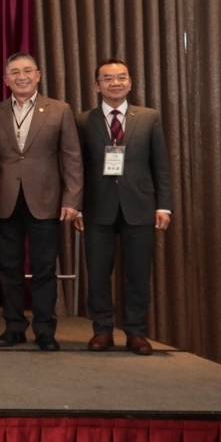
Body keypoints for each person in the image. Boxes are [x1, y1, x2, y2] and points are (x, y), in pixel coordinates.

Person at [0, 52, 82, 351]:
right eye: (15, 72)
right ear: (5, 79)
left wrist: (72, 199)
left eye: (27, 71)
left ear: (38, 75)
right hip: (4, 200)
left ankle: (45, 330)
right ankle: (13, 327)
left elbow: (72, 157)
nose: (21, 77)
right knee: (8, 268)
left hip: (46, 201)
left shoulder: (59, 110)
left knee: (44, 269)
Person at [75, 58, 172, 356]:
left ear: (130, 82)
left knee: (138, 274)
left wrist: (164, 206)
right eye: (107, 78)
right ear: (97, 85)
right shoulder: (83, 120)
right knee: (98, 274)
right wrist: (77, 207)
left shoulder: (149, 117)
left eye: (121, 77)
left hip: (140, 206)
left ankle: (136, 333)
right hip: (96, 207)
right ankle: (102, 330)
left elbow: (161, 165)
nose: (115, 83)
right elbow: (77, 168)